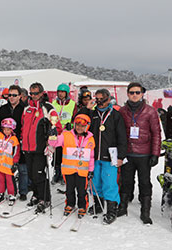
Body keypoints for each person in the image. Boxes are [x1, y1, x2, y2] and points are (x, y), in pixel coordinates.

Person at [79, 88, 127, 224]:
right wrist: (85, 109)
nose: (99, 102)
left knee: (110, 183)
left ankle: (112, 209)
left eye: (102, 99)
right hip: (94, 156)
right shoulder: (92, 114)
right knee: (95, 182)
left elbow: (122, 137)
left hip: (110, 156)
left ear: (109, 99)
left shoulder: (115, 115)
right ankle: (98, 205)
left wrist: (121, 156)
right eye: (97, 99)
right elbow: (79, 123)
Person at [118, 82, 161, 224]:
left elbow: (156, 133)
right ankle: (123, 207)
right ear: (128, 94)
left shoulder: (150, 111)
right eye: (132, 92)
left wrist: (155, 154)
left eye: (137, 92)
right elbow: (118, 132)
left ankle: (145, 212)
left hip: (144, 154)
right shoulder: (122, 111)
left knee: (144, 183)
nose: (135, 95)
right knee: (125, 181)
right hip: (128, 153)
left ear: (142, 93)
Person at [21, 82, 62, 213]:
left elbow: (57, 127)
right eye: (31, 93)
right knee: (31, 175)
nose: (33, 96)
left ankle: (45, 198)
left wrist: (51, 141)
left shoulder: (48, 108)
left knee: (38, 174)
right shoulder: (27, 108)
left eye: (36, 93)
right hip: (27, 147)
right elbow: (23, 126)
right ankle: (36, 195)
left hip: (39, 148)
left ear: (42, 93)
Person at [49, 114, 95, 218]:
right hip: (68, 169)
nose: (79, 128)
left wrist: (91, 170)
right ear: (74, 125)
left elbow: (91, 156)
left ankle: (82, 206)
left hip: (82, 171)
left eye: (82, 126)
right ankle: (70, 203)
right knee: (69, 189)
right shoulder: (66, 135)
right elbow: (54, 143)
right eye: (77, 125)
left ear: (87, 127)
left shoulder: (90, 139)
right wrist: (52, 136)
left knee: (81, 190)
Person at [0, 85, 28, 200]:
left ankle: (23, 191)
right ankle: (0, 190)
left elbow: (27, 125)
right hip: (6, 143)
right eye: (10, 95)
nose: (12, 97)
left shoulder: (25, 108)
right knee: (3, 167)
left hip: (20, 141)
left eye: (14, 95)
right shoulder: (3, 108)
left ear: (20, 96)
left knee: (22, 168)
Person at [51, 83, 77, 185]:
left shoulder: (72, 104)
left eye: (63, 92)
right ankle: (56, 173)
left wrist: (71, 125)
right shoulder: (54, 103)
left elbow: (75, 118)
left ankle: (63, 174)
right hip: (56, 132)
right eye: (59, 92)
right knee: (56, 154)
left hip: (67, 133)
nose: (61, 94)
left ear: (67, 93)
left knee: (65, 153)